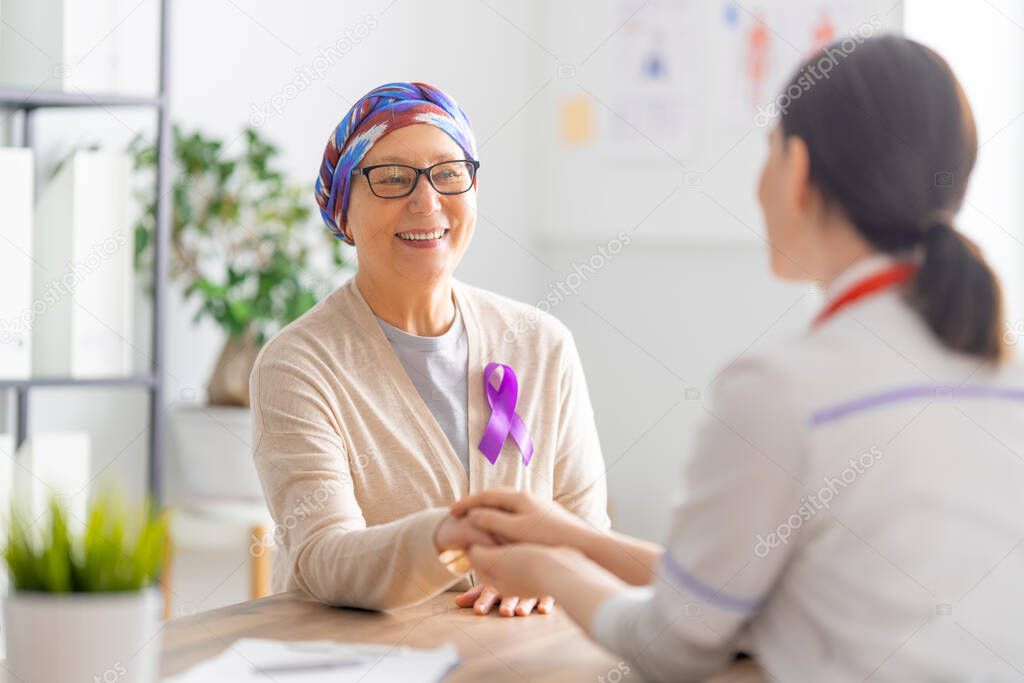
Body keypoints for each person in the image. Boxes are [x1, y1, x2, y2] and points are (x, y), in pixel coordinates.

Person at [453, 36, 1024, 680]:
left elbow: (674, 641)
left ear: (798, 169)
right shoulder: (999, 371)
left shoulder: (782, 390)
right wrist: (575, 537)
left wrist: (547, 567)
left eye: (768, 152)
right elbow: (731, 597)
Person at [250, 82, 610, 616]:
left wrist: (548, 574)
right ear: (345, 213)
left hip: (519, 656)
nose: (427, 201)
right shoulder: (297, 366)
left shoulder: (541, 343)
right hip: (356, 660)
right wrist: (448, 537)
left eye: (448, 173)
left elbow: (586, 538)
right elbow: (324, 557)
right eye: (392, 179)